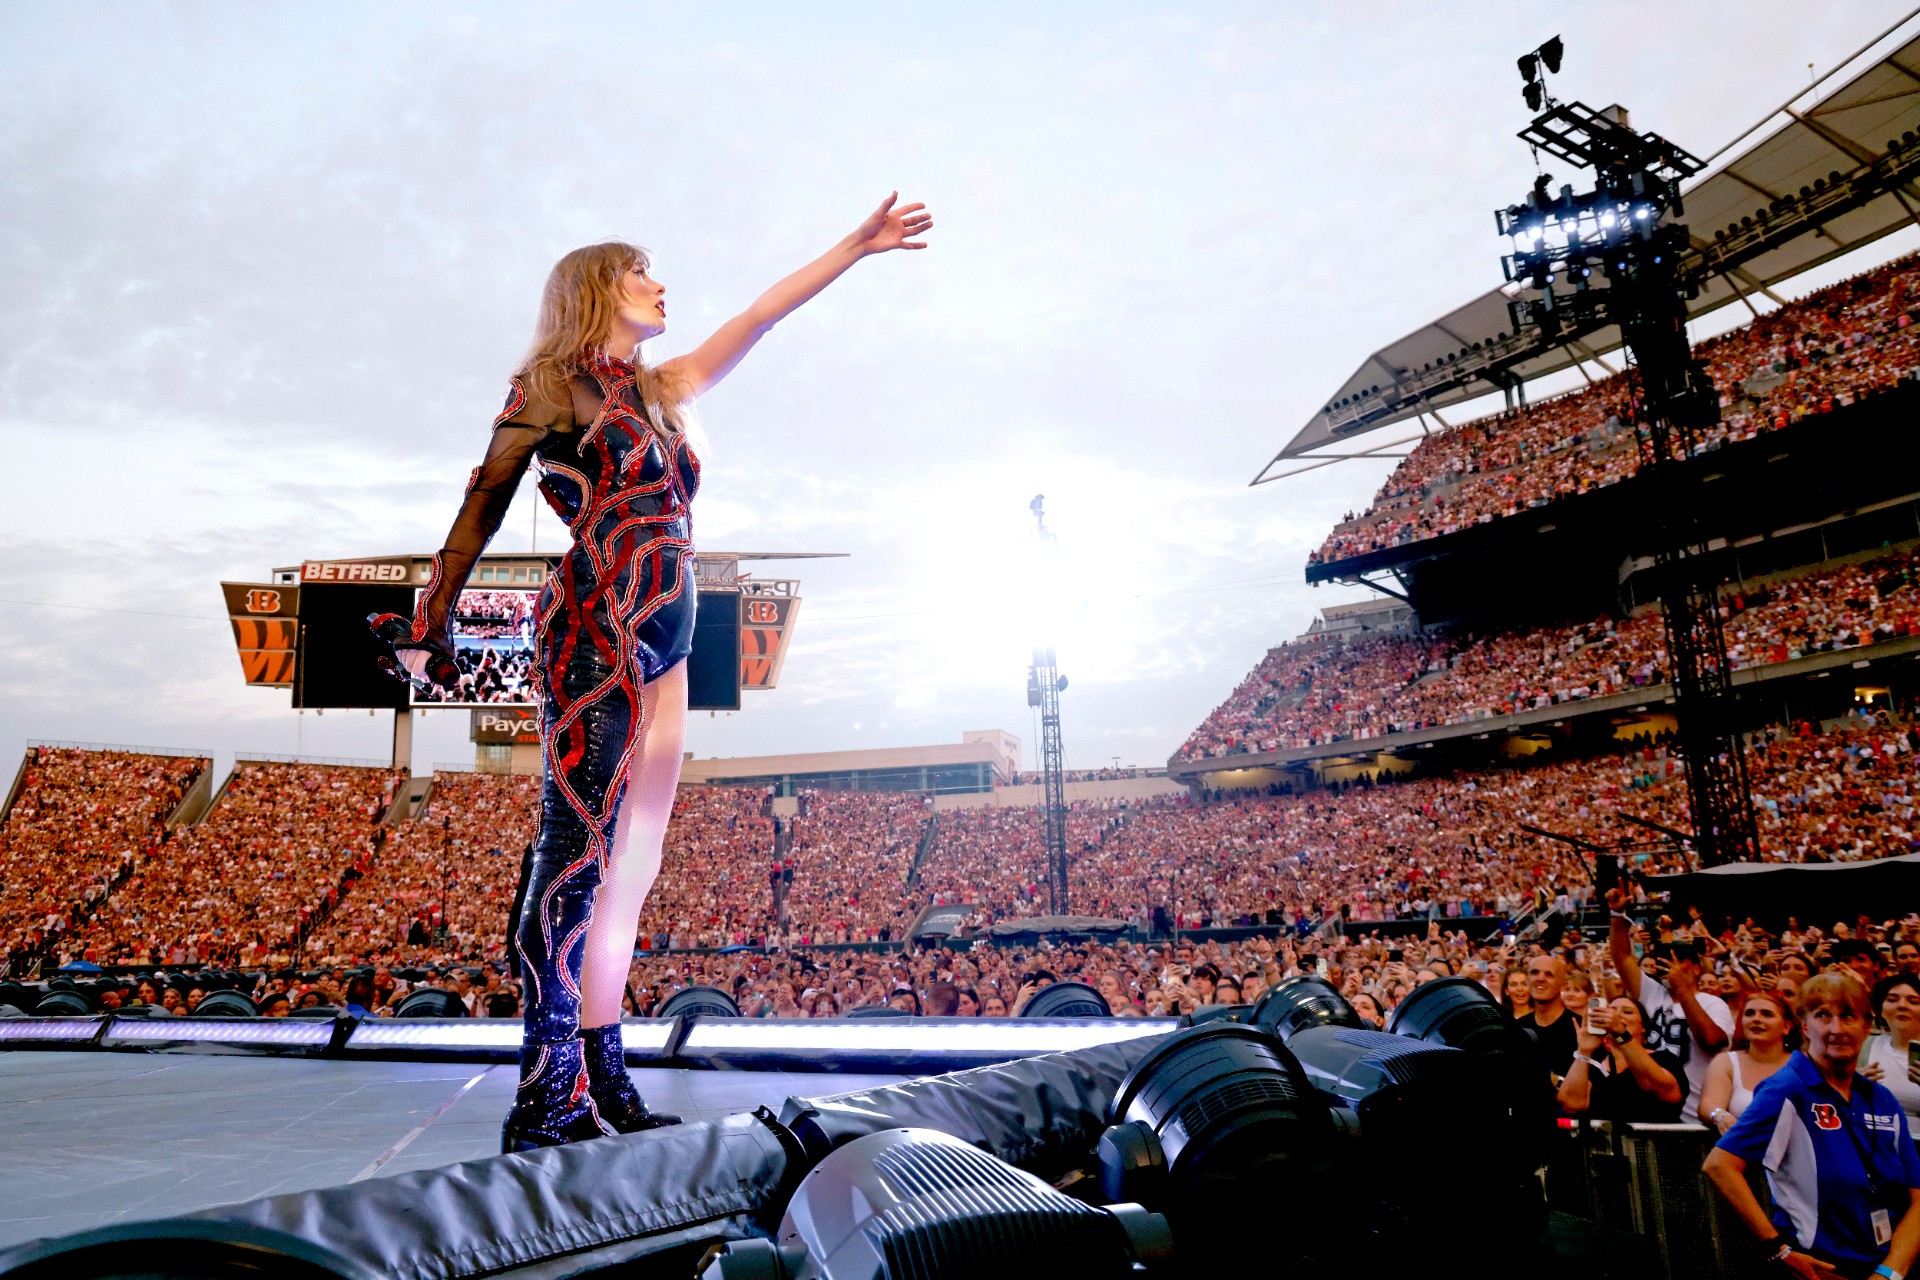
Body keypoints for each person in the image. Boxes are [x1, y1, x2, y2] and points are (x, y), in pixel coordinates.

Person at [388, 195, 933, 1151]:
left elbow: (759, 317)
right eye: (642, 271)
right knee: (575, 853)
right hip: (596, 625)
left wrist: (854, 246)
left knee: (633, 868)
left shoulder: (659, 388)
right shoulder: (547, 388)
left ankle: (604, 1074)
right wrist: (430, 619)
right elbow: (481, 504)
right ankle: (544, 1094)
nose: (661, 284)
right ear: (599, 288)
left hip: (669, 630)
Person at [1706, 973, 1920, 1280]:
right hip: (1821, 1269)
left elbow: (1917, 1197)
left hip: (1884, 1266)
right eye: (1822, 1016)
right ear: (1805, 1026)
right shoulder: (1787, 1089)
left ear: (1866, 1027)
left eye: (1848, 1017)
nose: (1836, 1029)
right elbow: (1719, 1165)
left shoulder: (1881, 1098)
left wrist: (1889, 1273)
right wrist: (1777, 1248)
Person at [1608, 887, 1732, 1119]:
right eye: (1665, 959)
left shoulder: (1713, 1004)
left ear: (1695, 968)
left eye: (1677, 960)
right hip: (1653, 1109)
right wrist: (1616, 915)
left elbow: (1712, 1042)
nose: (1667, 965)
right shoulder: (1652, 992)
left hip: (1697, 1117)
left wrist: (1682, 989)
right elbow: (1622, 958)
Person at [1558, 996, 1685, 1123]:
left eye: (1627, 1012)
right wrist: (1584, 1051)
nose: (1616, 1015)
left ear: (1643, 1027)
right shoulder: (1593, 1062)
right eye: (1611, 1010)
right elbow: (1571, 1104)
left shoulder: (1665, 1059)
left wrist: (1621, 1033)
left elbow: (1653, 1084)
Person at [1700, 991, 1796, 1133]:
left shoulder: (1802, 1064)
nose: (1756, 1019)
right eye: (1750, 1013)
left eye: (1767, 1014)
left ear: (1787, 1027)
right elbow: (1708, 1105)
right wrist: (1720, 1116)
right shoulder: (1726, 1061)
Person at [1864, 974, 1920, 1144]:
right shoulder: (1864, 1046)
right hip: (1873, 1143)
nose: (1902, 1006)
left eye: (1914, 1002)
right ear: (1880, 1008)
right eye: (1892, 999)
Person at [1520, 954, 1577, 1081]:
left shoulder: (1580, 1029)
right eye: (1535, 972)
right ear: (1527, 980)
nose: (1540, 978)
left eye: (1549, 974)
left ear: (1563, 985)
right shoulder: (1518, 1028)